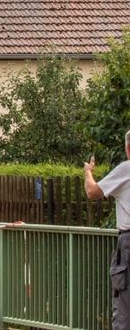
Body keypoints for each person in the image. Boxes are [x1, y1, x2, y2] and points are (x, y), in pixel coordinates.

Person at [84, 129, 130, 329]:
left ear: (128, 148)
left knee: (125, 308)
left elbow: (92, 192)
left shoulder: (126, 169)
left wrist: (88, 173)